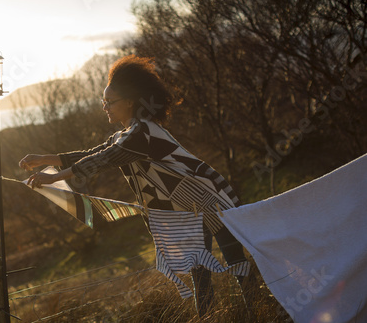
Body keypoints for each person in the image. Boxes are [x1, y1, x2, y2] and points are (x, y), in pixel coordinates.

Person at [19, 55, 255, 317]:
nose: (105, 107)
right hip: (189, 210)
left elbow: (103, 159)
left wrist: (53, 177)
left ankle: (257, 313)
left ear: (129, 102)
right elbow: (92, 152)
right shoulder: (126, 133)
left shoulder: (141, 133)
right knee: (200, 275)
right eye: (103, 102)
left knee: (237, 265)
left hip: (212, 199)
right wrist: (45, 159)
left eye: (110, 102)